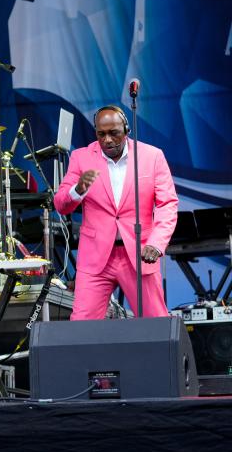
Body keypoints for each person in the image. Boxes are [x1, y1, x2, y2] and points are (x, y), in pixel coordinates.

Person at [55, 106, 178, 319]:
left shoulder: (152, 156)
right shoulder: (81, 157)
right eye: (101, 134)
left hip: (139, 254)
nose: (108, 140)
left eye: (114, 133)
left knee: (155, 324)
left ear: (127, 130)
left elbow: (168, 204)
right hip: (95, 257)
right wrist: (78, 189)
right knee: (82, 327)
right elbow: (61, 204)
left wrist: (156, 244)